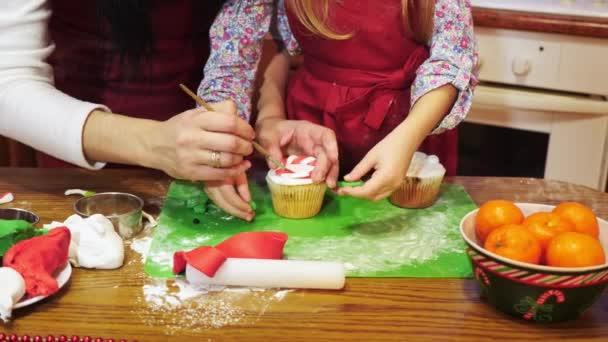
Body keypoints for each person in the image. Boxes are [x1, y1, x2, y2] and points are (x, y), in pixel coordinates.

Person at [0, 0, 261, 220]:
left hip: (200, 162)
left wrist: (220, 135)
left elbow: (238, 45)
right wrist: (151, 142)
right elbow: (7, 82)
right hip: (80, 162)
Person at [199, 0, 478, 204]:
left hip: (411, 128)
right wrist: (215, 141)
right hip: (310, 125)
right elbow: (232, 58)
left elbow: (451, 58)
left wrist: (408, 137)